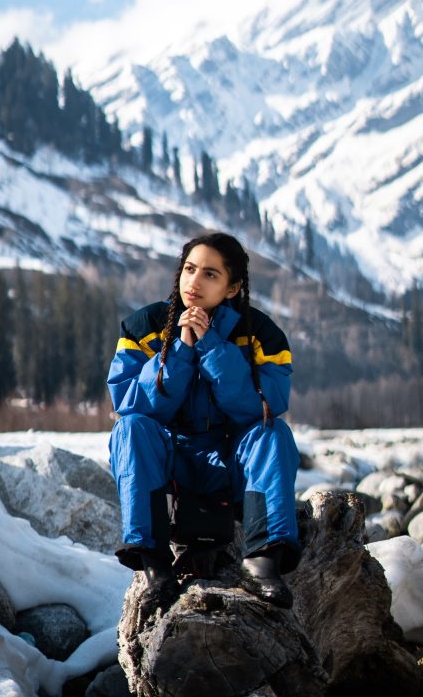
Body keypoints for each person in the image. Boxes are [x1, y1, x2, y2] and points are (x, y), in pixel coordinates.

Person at [107, 231, 301, 609]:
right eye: (189, 269)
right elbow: (132, 403)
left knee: (272, 433)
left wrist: (212, 346)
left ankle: (261, 562)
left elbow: (264, 405)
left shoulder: (261, 334)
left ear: (232, 288)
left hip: (228, 461)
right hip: (170, 460)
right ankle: (154, 564)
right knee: (129, 429)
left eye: (210, 274)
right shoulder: (143, 327)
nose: (194, 282)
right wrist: (180, 348)